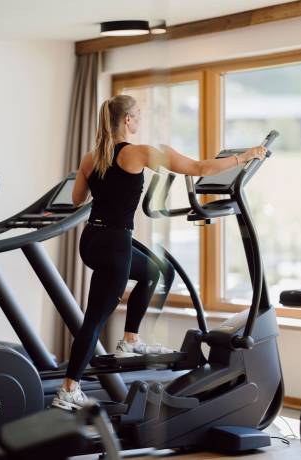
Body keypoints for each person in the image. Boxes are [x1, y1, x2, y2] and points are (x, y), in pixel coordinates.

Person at [52, 94, 267, 411]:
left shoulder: (90, 157)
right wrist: (246, 156)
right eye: (138, 115)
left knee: (156, 271)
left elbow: (76, 199)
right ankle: (69, 389)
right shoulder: (138, 153)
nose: (140, 120)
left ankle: (130, 339)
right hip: (115, 242)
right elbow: (198, 167)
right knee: (94, 320)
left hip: (91, 241)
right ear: (127, 120)